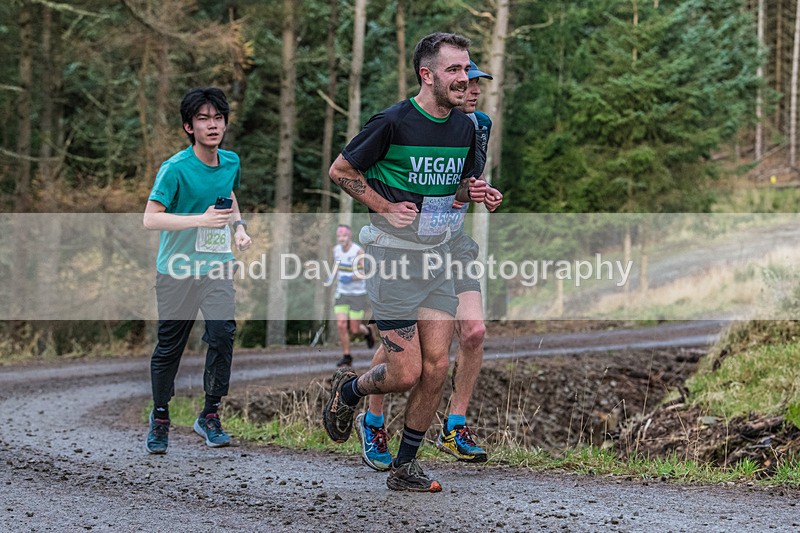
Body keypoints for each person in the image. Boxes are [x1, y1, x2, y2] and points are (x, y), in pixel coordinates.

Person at [323, 32, 492, 493]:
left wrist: (472, 192)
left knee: (437, 367)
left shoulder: (465, 127)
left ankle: (405, 466)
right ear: (428, 75)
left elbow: (453, 189)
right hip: (392, 260)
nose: (465, 78)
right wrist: (384, 206)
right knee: (406, 372)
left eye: (467, 68)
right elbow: (341, 171)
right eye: (454, 70)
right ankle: (350, 390)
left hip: (436, 259)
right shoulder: (394, 122)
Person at [355, 60, 503, 471]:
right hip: (407, 249)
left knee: (474, 330)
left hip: (453, 242)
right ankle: (374, 417)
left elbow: (465, 184)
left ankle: (454, 426)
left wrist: (482, 192)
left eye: (478, 83)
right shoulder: (411, 124)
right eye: (467, 81)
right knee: (403, 353)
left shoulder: (478, 125)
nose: (473, 90)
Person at [143, 87, 252, 455]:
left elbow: (229, 195)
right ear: (189, 126)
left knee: (222, 334)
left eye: (218, 118)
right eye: (204, 119)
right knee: (169, 347)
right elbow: (150, 220)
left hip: (217, 265)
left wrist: (238, 227)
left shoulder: (231, 161)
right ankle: (160, 416)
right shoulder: (174, 169)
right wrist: (199, 220)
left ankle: (210, 414)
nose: (213, 125)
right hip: (176, 269)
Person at [332, 224, 375, 367]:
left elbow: (365, 272)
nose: (341, 238)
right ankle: (347, 356)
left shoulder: (358, 251)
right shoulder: (336, 250)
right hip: (342, 293)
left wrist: (351, 278)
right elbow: (337, 266)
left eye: (344, 236)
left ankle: (367, 331)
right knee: (341, 324)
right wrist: (331, 277)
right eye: (339, 236)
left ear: (349, 236)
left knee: (355, 329)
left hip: (357, 294)